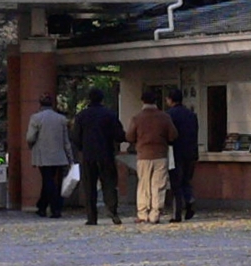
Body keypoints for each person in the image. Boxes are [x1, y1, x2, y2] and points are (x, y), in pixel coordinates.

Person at [72, 88, 125, 226]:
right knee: (109, 184)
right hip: (106, 153)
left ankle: (91, 217)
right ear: (102, 99)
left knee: (89, 186)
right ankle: (113, 211)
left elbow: (75, 137)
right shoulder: (109, 115)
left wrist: (82, 148)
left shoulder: (81, 116)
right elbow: (119, 135)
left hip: (88, 155)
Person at [127, 87, 176, 224]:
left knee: (143, 184)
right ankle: (155, 214)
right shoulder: (165, 117)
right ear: (156, 101)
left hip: (143, 155)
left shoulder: (137, 118)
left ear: (142, 101)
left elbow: (130, 137)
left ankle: (142, 213)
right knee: (158, 185)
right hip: (160, 155)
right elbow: (173, 135)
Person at [25, 92, 74, 217]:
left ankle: (55, 208)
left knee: (48, 181)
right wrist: (70, 158)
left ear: (40, 104)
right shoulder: (61, 119)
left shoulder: (36, 118)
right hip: (59, 155)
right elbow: (66, 141)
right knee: (50, 180)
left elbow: (30, 137)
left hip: (43, 155)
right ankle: (42, 206)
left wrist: (31, 145)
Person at [164, 84, 200, 221]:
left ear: (170, 100)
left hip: (175, 153)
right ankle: (189, 199)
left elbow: (169, 135)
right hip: (191, 152)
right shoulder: (191, 115)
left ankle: (177, 214)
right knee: (186, 180)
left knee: (176, 184)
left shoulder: (168, 115)